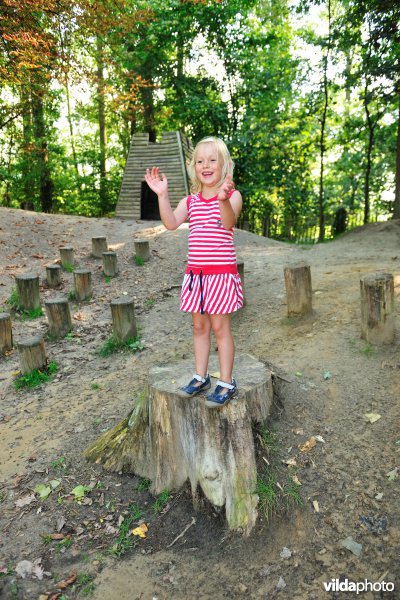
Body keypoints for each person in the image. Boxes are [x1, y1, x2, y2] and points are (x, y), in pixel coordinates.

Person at [144, 136, 243, 408]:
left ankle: (226, 381)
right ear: (193, 167)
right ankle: (201, 376)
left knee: (220, 329)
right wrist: (162, 195)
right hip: (196, 276)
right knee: (199, 327)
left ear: (225, 166)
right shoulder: (190, 201)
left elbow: (227, 223)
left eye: (213, 160)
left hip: (220, 275)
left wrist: (222, 198)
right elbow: (171, 223)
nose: (206, 165)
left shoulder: (232, 196)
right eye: (200, 161)